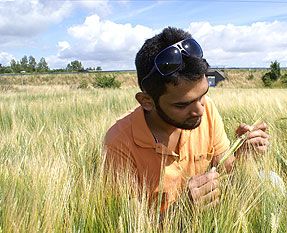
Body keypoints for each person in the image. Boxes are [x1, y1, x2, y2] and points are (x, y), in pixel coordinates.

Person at [104, 27, 270, 211]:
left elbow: (227, 172)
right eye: (182, 105)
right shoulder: (118, 142)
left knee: (271, 182)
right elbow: (128, 223)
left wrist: (244, 155)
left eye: (202, 95)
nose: (199, 110)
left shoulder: (207, 109)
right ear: (147, 101)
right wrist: (182, 211)